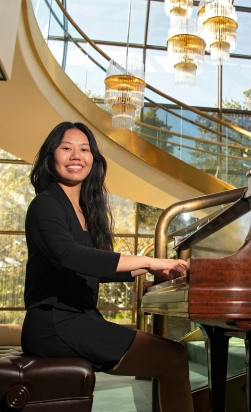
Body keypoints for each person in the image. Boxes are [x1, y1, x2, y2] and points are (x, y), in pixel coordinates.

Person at [21, 121, 194, 412]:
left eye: (84, 149)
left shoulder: (84, 211)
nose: (76, 156)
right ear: (51, 156)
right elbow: (71, 256)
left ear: (93, 159)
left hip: (78, 320)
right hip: (54, 324)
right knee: (173, 359)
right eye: (66, 148)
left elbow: (94, 266)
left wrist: (149, 270)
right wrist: (149, 260)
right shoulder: (46, 204)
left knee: (173, 356)